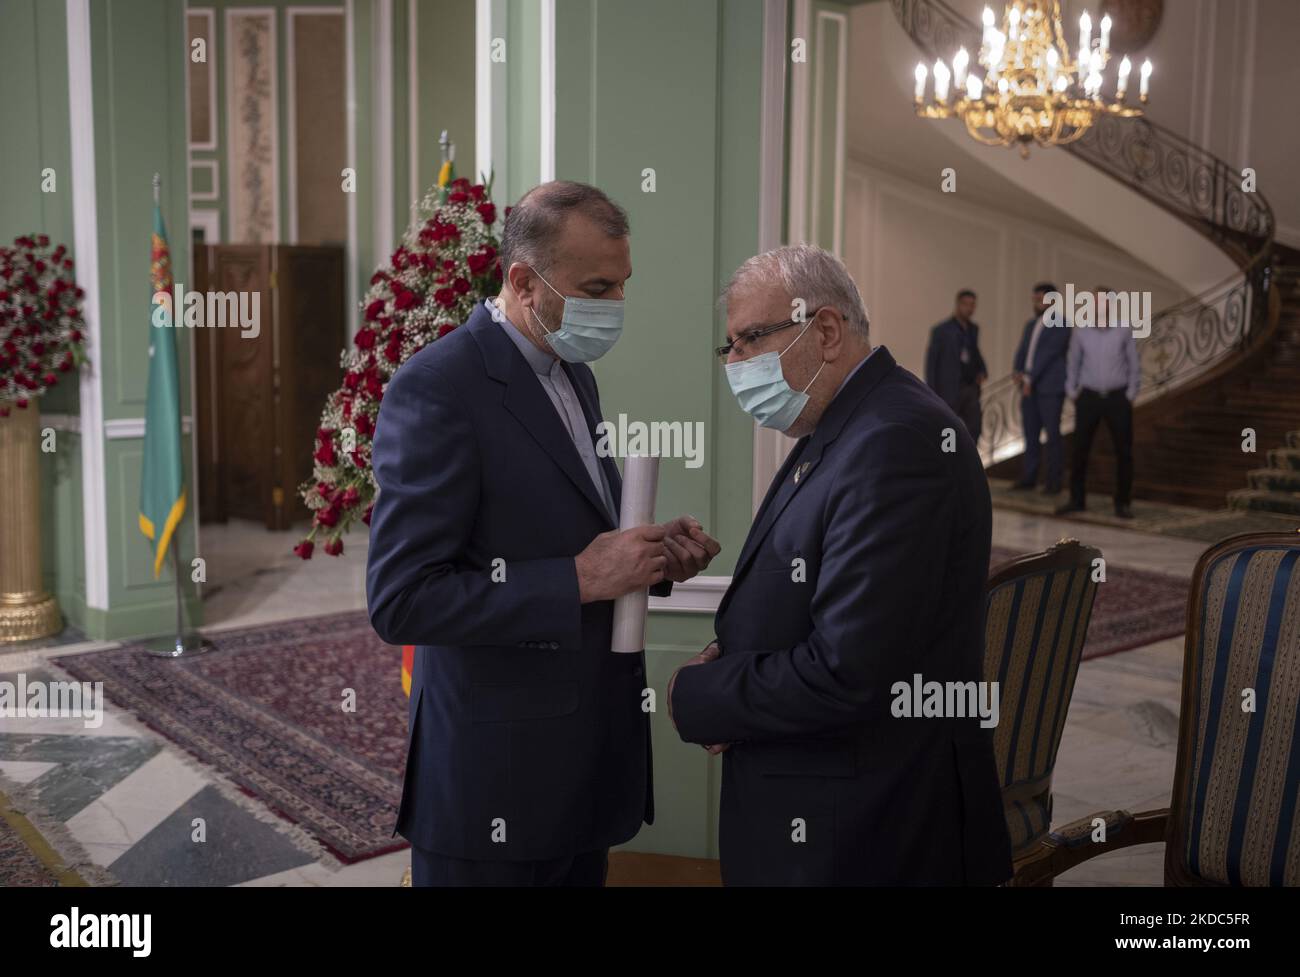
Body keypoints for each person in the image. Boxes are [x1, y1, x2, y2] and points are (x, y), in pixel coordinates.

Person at [367, 181, 721, 886]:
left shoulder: (574, 373)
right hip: (494, 780)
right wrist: (581, 577)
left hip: (581, 764)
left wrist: (651, 555)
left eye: (622, 286)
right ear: (524, 282)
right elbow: (402, 598)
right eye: (597, 286)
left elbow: (574, 528)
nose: (615, 306)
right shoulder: (437, 387)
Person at [668, 245, 1012, 886]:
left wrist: (702, 695)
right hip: (832, 812)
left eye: (748, 341)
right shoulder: (847, 427)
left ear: (824, 331)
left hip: (865, 831)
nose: (736, 364)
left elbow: (851, 673)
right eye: (730, 348)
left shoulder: (893, 442)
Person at [1056, 285, 1141, 519]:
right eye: (1094, 301)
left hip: (1117, 397)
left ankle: (1122, 503)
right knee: (1080, 449)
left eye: (1102, 301)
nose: (1097, 305)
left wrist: (1131, 393)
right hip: (1089, 397)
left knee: (1124, 451)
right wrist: (1072, 391)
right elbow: (1073, 363)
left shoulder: (1124, 329)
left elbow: (1134, 363)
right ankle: (1077, 499)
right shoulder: (1081, 331)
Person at [1010, 282, 1070, 493]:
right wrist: (1017, 371)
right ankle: (1029, 478)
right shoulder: (1030, 325)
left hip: (1049, 388)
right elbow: (1023, 351)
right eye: (1034, 299)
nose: (1035, 303)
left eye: (1039, 299)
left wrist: (1030, 379)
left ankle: (1053, 482)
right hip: (1028, 388)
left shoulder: (1062, 324)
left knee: (1052, 435)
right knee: (1030, 434)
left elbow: (1048, 355)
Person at [924, 289, 987, 443]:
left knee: (974, 427)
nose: (969, 308)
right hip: (949, 389)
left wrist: (982, 370)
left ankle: (968, 462)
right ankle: (949, 463)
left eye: (972, 305)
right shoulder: (941, 330)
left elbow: (975, 352)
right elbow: (932, 363)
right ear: (958, 305)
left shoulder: (973, 329)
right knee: (947, 429)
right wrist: (931, 392)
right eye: (966, 304)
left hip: (970, 387)